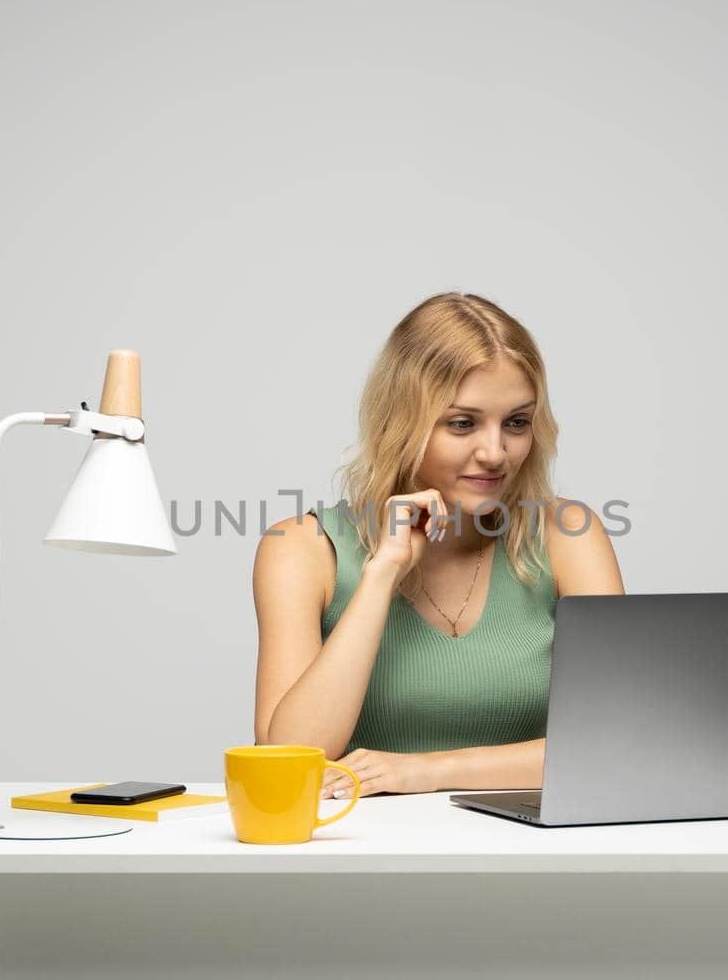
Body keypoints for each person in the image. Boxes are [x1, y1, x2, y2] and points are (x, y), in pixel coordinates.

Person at [252, 291, 624, 799]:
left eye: (516, 422)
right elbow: (287, 758)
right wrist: (382, 573)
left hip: (528, 853)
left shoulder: (567, 535)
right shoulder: (302, 548)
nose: (495, 453)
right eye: (462, 423)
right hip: (359, 855)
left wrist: (423, 772)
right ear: (401, 422)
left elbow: (612, 744)